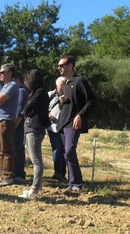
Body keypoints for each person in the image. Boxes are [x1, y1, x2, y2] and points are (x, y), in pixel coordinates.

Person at [57, 55, 96, 194]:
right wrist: (62, 102)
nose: (59, 68)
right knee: (67, 154)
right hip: (63, 123)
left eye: (62, 65)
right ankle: (72, 184)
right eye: (59, 66)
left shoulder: (80, 81)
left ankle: (77, 184)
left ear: (71, 66)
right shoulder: (65, 85)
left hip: (73, 123)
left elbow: (91, 101)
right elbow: (66, 106)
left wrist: (80, 115)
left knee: (69, 151)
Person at [19, 69, 50, 199]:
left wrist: (26, 110)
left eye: (27, 80)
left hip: (34, 128)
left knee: (36, 160)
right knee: (35, 159)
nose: (25, 82)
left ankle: (35, 189)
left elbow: (27, 108)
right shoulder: (34, 92)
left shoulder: (40, 92)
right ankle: (38, 187)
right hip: (31, 128)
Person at [0, 63, 19, 187]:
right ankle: (2, 176)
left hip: (5, 120)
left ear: (10, 73)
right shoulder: (5, 86)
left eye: (2, 72)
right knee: (0, 149)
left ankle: (8, 176)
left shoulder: (12, 86)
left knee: (6, 148)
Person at [47, 76, 67, 181]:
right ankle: (58, 172)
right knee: (56, 148)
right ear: (56, 85)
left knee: (64, 150)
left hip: (64, 126)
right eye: (61, 84)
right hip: (53, 126)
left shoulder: (68, 96)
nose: (63, 86)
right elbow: (44, 107)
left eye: (65, 83)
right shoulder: (50, 95)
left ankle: (62, 173)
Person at [13, 73, 29, 184]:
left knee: (18, 148)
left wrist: (14, 126)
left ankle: (19, 174)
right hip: (14, 124)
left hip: (18, 126)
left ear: (18, 79)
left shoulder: (21, 91)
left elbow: (19, 111)